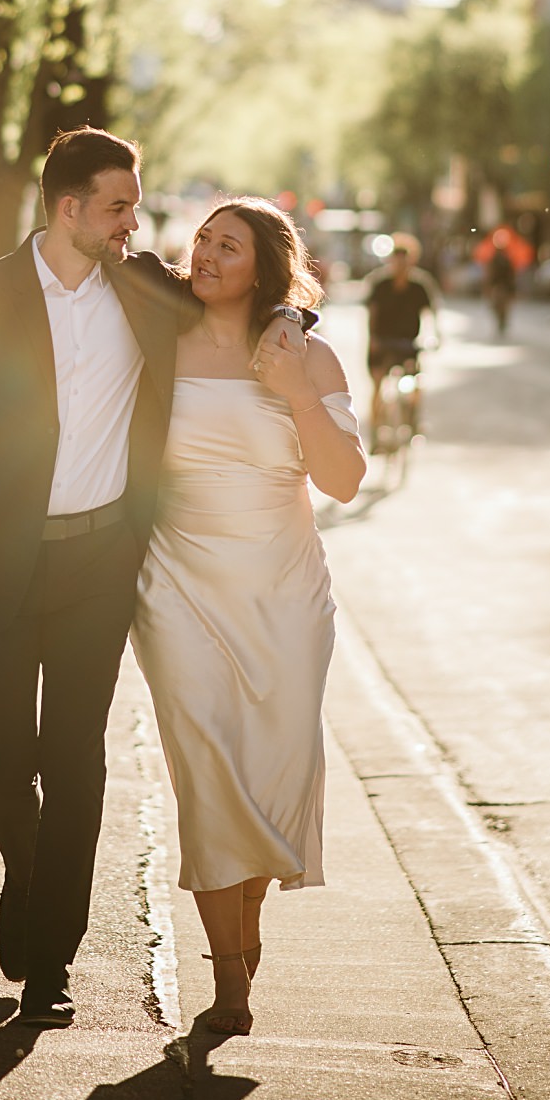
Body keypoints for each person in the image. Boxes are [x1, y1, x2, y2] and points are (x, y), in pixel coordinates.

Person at [0, 127, 299, 1028]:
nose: (134, 221)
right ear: (69, 206)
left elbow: (239, 307)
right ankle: (29, 867)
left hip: (100, 562)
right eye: (118, 205)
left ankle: (52, 964)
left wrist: (291, 321)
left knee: (76, 763)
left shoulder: (146, 288)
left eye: (135, 205)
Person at [129, 199, 366, 1035]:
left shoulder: (309, 353)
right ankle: (228, 971)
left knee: (272, 771)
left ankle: (244, 918)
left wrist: (297, 387)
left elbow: (341, 478)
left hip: (286, 594)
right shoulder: (154, 339)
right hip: (176, 585)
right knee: (206, 770)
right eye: (201, 238)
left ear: (264, 266)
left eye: (227, 244)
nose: (205, 252)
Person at [365, 235, 437, 437]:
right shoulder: (380, 285)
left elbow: (430, 314)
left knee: (416, 385)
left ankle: (413, 421)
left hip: (408, 344)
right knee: (378, 386)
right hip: (381, 343)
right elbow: (372, 314)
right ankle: (375, 433)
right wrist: (373, 340)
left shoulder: (419, 287)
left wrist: (435, 336)